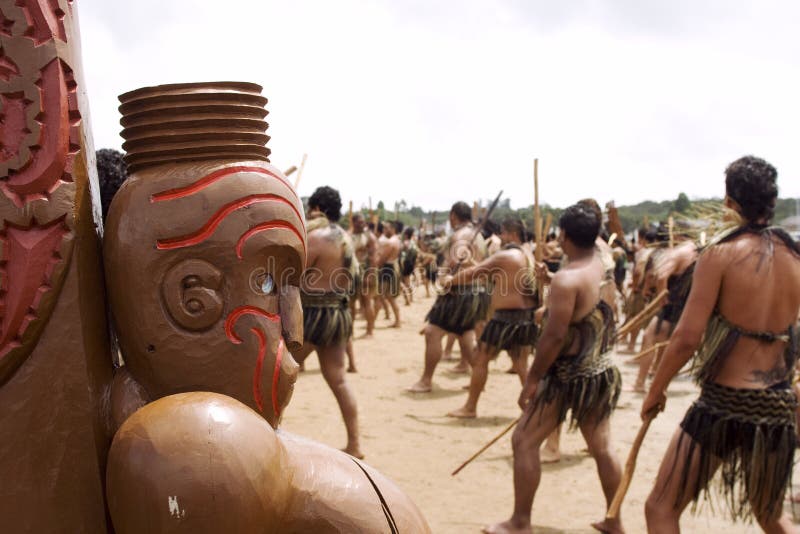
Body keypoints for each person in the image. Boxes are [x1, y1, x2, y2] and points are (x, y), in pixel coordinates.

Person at [642, 156, 800, 532]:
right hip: (776, 404)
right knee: (772, 516)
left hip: (723, 404)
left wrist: (656, 389)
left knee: (660, 508)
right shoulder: (795, 256)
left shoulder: (720, 253)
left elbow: (686, 337)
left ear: (730, 203)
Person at [485, 203, 623, 534]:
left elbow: (553, 336)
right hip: (597, 369)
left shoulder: (568, 277)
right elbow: (585, 309)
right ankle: (615, 521)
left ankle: (520, 522)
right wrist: (550, 285)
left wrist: (532, 380)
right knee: (602, 447)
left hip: (568, 376)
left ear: (563, 235)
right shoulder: (600, 265)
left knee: (523, 441)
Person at [292, 186, 363, 459]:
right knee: (339, 380)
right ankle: (355, 443)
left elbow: (294, 273)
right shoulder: (345, 237)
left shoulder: (317, 237)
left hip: (314, 315)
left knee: (280, 373)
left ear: (318, 209)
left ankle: (271, 431)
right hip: (338, 313)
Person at [447, 216, 538, 418]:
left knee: (481, 358)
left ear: (512, 234)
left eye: (503, 233)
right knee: (521, 364)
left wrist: (450, 281)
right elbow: (490, 273)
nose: (501, 236)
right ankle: (535, 408)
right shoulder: (527, 255)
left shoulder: (506, 256)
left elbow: (474, 273)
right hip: (525, 317)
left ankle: (470, 407)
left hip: (505, 318)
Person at [408, 201, 489, 392]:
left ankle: (426, 381)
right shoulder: (479, 237)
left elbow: (453, 264)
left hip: (459, 290)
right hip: (474, 291)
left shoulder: (460, 236)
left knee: (432, 332)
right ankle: (478, 379)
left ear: (453, 215)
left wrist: (444, 280)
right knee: (465, 334)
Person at [350, 213, 378, 337]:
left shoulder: (369, 237)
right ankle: (349, 332)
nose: (362, 224)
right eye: (359, 222)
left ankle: (370, 330)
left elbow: (373, 257)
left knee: (367, 301)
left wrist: (370, 275)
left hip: (366, 272)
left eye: (363, 222)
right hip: (352, 273)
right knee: (350, 303)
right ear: (353, 223)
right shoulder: (349, 235)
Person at [376, 220, 402, 327]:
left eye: (387, 228)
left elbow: (383, 259)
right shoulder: (396, 240)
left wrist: (376, 266)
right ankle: (397, 320)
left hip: (387, 268)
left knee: (381, 295)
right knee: (388, 296)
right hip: (391, 267)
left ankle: (371, 322)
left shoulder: (391, 242)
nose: (384, 230)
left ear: (393, 229)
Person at [400, 226, 419, 305]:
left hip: (405, 264)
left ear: (406, 235)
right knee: (407, 282)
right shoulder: (413, 243)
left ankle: (407, 300)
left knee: (403, 282)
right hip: (411, 263)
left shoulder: (406, 243)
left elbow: (402, 255)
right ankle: (411, 298)